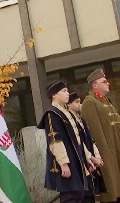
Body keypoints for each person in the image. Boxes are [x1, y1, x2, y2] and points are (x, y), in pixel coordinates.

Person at [38, 80, 95, 203]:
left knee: (79, 194)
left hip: (76, 159)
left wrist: (88, 157)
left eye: (67, 90)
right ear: (54, 95)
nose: (67, 93)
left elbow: (78, 139)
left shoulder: (67, 113)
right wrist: (63, 163)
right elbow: (55, 140)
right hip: (67, 162)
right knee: (70, 196)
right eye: (64, 91)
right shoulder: (52, 114)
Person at [81, 68, 120, 203]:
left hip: (117, 153)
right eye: (104, 82)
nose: (108, 83)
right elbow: (95, 133)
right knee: (111, 193)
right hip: (107, 156)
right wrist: (104, 156)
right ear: (94, 85)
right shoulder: (90, 102)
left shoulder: (106, 102)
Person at [66, 92, 105, 202]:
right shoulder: (69, 121)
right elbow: (78, 142)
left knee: (91, 191)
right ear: (68, 104)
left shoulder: (82, 120)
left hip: (89, 158)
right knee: (83, 194)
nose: (80, 104)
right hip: (81, 159)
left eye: (80, 102)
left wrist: (97, 155)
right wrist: (90, 158)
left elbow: (90, 140)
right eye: (76, 102)